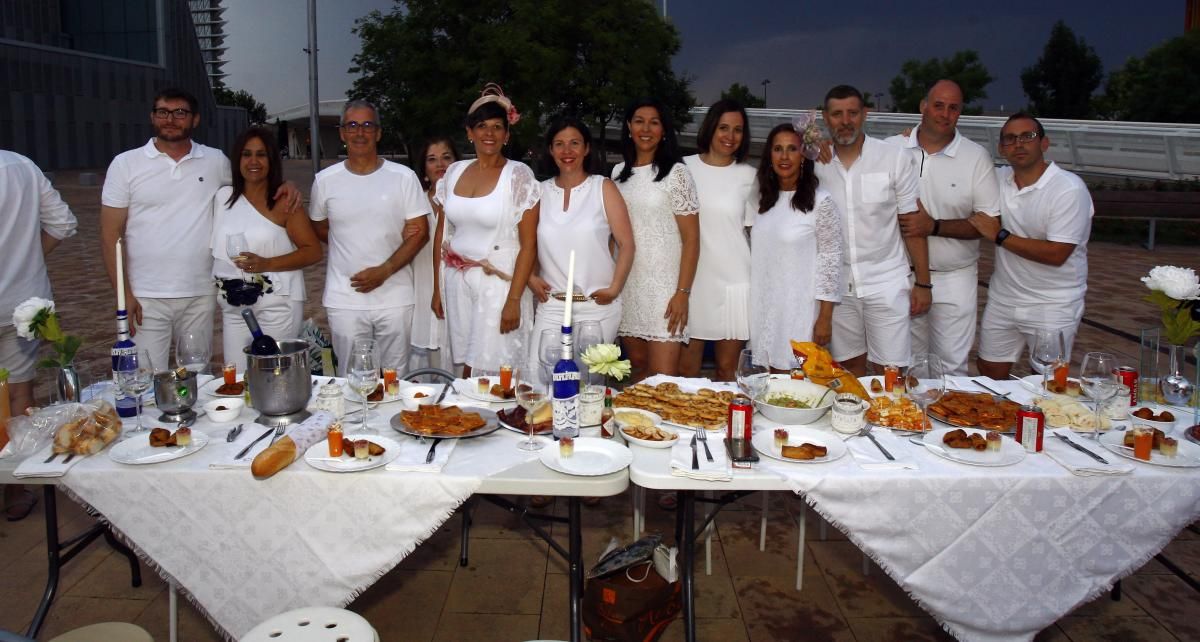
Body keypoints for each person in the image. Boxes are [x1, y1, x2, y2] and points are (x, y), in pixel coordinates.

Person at [100, 87, 299, 370]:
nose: (171, 119)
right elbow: (110, 235)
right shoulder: (125, 164)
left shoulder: (215, 161)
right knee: (144, 378)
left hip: (200, 293)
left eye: (180, 113)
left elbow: (253, 180)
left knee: (196, 376)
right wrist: (124, 295)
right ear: (152, 117)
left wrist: (285, 184)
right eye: (163, 112)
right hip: (145, 296)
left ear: (194, 120)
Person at [888, 80, 1001, 376]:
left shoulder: (976, 157)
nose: (945, 114)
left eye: (953, 108)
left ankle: (955, 423)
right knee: (904, 367)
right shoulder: (891, 148)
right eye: (938, 105)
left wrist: (933, 226)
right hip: (901, 276)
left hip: (955, 278)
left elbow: (988, 225)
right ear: (923, 107)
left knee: (951, 368)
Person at [814, 85, 928, 377]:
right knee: (848, 367)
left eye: (852, 112)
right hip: (838, 286)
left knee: (891, 370)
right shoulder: (815, 164)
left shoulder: (893, 158)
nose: (845, 121)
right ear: (826, 118)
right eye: (837, 114)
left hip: (886, 280)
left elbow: (912, 224)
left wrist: (923, 284)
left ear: (865, 114)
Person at [309, 100, 430, 375]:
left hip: (395, 297)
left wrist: (384, 270)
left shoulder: (403, 177)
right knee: (352, 378)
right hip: (345, 298)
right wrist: (349, 245)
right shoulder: (325, 180)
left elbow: (420, 232)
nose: (359, 132)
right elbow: (319, 227)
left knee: (394, 378)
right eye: (352, 125)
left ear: (378, 132)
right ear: (342, 133)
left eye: (367, 125)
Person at [970, 113, 1093, 379]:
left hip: (1054, 303)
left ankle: (1039, 421)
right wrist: (911, 141)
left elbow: (1057, 253)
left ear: (1044, 143)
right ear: (1002, 149)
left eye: (1028, 136)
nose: (1019, 144)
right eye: (1010, 139)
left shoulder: (1068, 189)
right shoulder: (998, 178)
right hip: (1005, 297)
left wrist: (1000, 236)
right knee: (989, 368)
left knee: (1049, 381)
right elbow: (958, 168)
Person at [432, 84, 540, 376]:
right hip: (456, 282)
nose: (489, 133)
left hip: (499, 286)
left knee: (493, 372)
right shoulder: (453, 173)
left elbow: (529, 245)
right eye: (481, 126)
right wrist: (437, 289)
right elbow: (442, 238)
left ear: (507, 134)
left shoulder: (518, 175)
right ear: (470, 132)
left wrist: (514, 300)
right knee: (463, 368)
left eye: (497, 127)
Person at [0, 149, 77, 521]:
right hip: (21, 300)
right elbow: (62, 223)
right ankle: (15, 489)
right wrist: (30, 256)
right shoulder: (21, 166)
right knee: (18, 392)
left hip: (21, 299)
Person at [529, 116, 635, 369]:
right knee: (540, 378)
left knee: (589, 388)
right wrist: (530, 277)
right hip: (552, 306)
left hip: (596, 308)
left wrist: (615, 288)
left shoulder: (603, 187)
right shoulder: (538, 191)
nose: (567, 151)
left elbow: (627, 243)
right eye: (559, 144)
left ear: (587, 148)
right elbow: (526, 242)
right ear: (551, 150)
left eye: (575, 143)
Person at [210, 126, 322, 362]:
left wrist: (267, 263)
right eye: (246, 154)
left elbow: (313, 252)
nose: (253, 161)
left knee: (275, 374)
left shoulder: (284, 201)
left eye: (261, 155)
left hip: (278, 304)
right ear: (237, 159)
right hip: (234, 305)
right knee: (238, 375)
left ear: (271, 160)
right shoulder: (222, 198)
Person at [611, 98, 700, 380]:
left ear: (664, 130)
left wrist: (682, 294)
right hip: (628, 286)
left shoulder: (678, 173)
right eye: (639, 121)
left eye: (654, 122)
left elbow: (692, 240)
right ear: (628, 127)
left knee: (663, 380)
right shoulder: (616, 174)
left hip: (665, 290)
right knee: (637, 371)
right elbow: (613, 236)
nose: (646, 128)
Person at [749, 122, 843, 371]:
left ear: (804, 155)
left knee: (796, 381)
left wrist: (824, 317)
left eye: (792, 149)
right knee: (767, 381)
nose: (784, 156)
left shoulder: (820, 202)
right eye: (777, 149)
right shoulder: (763, 201)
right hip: (765, 306)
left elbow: (831, 259)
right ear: (769, 155)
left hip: (800, 311)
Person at [679, 100, 757, 381]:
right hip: (691, 282)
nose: (730, 136)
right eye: (724, 127)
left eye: (738, 130)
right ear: (710, 128)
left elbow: (756, 233)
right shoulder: (682, 168)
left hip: (734, 283)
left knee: (728, 372)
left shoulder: (750, 176)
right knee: (685, 373)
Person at [410, 137, 459, 377]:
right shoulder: (412, 203)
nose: (440, 164)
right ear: (424, 168)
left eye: (446, 157)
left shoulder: (466, 204)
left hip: (456, 295)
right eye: (432, 159)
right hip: (420, 293)